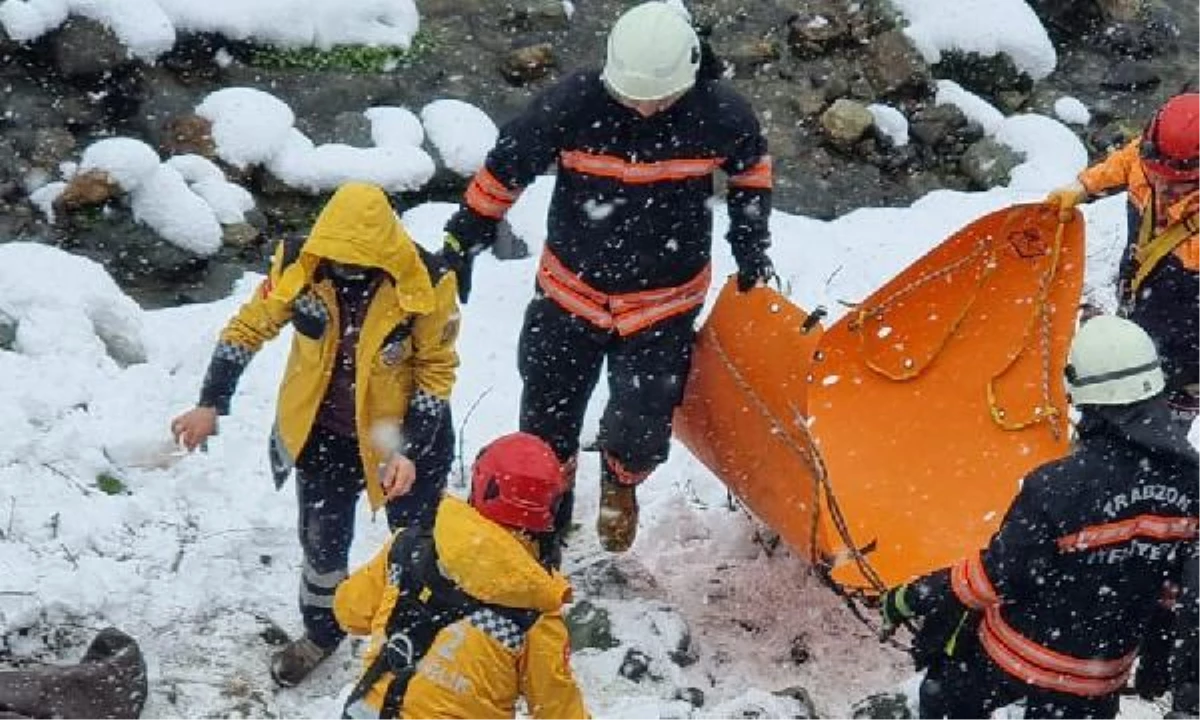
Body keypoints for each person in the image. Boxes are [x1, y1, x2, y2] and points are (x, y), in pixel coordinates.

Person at [438, 1, 775, 555]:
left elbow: (752, 170)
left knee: (640, 426)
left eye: (658, 97)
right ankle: (544, 518)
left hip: (664, 302)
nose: (644, 107)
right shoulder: (572, 104)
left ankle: (623, 481)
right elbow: (508, 164)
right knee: (547, 417)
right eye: (631, 96)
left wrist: (751, 242)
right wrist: (466, 233)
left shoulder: (722, 115)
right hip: (570, 290)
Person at [169, 181, 460, 687]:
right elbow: (248, 328)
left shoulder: (427, 280)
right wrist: (211, 402)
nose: (345, 273)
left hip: (404, 437)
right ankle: (322, 632)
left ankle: (414, 631)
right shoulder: (299, 265)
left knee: (416, 542)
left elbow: (436, 370)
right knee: (322, 544)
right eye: (338, 260)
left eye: (358, 264)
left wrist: (409, 451)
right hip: (323, 435)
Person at [879, 315, 1200, 718]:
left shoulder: (1058, 486)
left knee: (942, 696)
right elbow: (1176, 592)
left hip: (1013, 670)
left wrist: (915, 596)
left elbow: (999, 575)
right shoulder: (1191, 482)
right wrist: (1159, 660)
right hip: (1098, 689)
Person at [333, 432, 588, 720]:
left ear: (480, 485)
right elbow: (560, 713)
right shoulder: (535, 610)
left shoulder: (407, 547)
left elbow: (349, 612)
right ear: (551, 506)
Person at [1046, 93, 1200, 423]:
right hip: (1140, 308)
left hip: (1187, 349)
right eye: (1155, 176)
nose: (1161, 188)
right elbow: (1124, 162)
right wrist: (1082, 187)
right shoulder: (1147, 158)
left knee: (1158, 439)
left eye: (1177, 187)